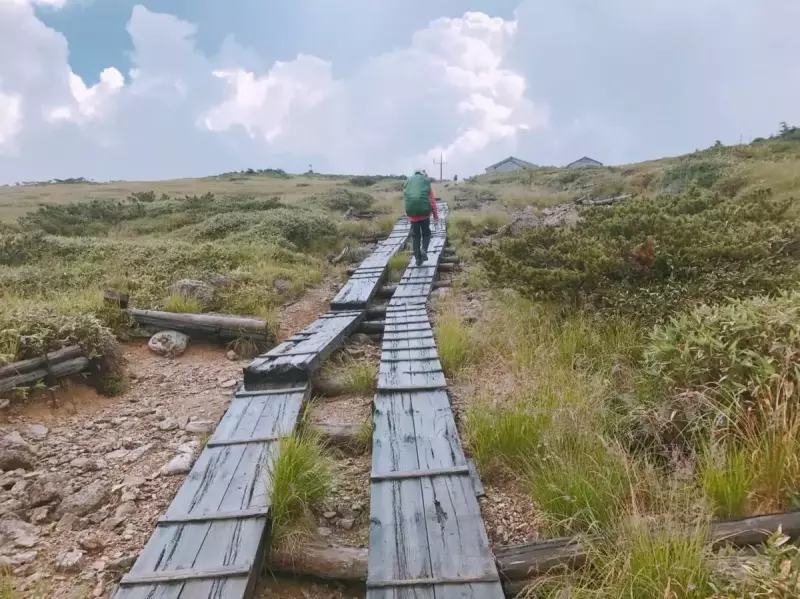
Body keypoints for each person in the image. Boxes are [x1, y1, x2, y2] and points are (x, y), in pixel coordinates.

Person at [403, 169, 439, 266]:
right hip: (424, 214)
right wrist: (435, 215)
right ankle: (424, 250)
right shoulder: (425, 182)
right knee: (426, 233)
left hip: (413, 215)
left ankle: (418, 260)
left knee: (415, 237)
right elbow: (432, 201)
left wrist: (408, 216)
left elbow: (407, 199)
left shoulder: (408, 182)